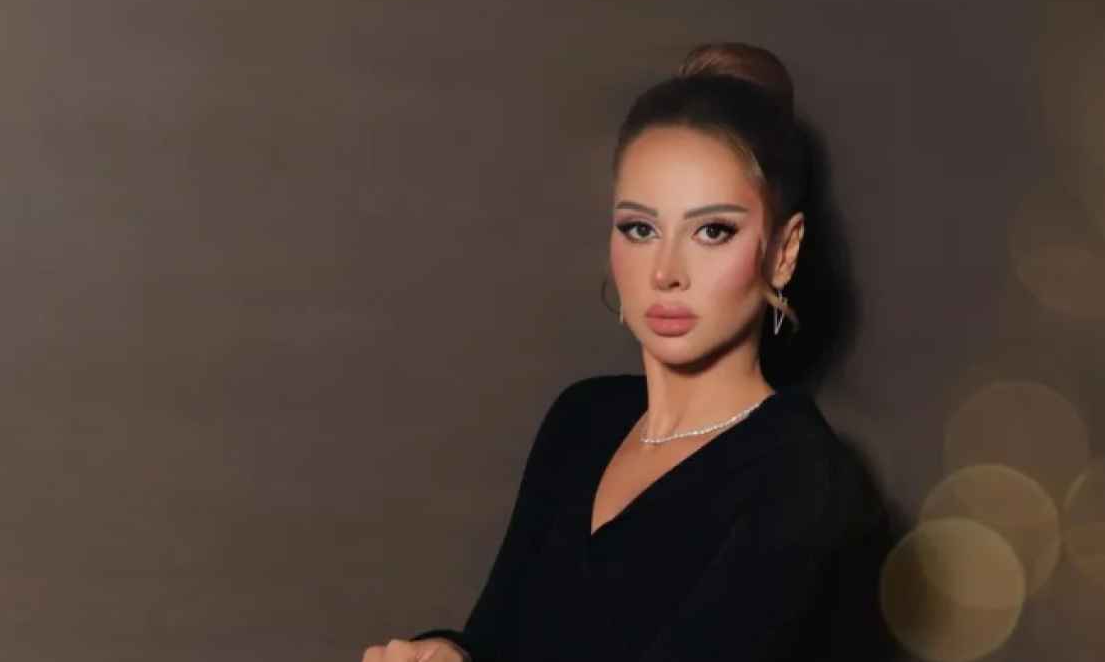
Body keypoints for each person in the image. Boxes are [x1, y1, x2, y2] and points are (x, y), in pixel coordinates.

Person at [361, 42, 895, 662]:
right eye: (640, 229)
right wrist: (447, 653)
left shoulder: (802, 479)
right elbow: (499, 636)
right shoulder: (582, 420)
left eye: (712, 231)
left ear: (784, 251)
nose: (665, 272)